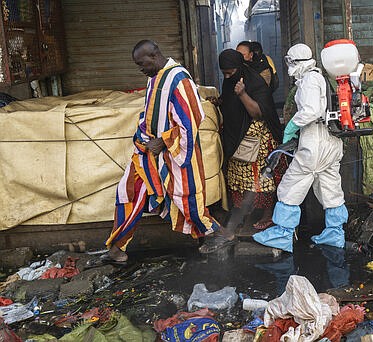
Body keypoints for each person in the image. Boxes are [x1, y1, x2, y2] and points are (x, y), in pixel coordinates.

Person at [90, 40, 233, 265]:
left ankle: (218, 235)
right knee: (127, 192)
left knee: (187, 200)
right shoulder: (154, 78)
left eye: (141, 63)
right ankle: (117, 247)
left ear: (154, 56)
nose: (140, 69)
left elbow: (193, 120)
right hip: (147, 153)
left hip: (175, 153)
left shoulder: (179, 79)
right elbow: (150, 114)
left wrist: (164, 142)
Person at [253, 43, 348, 253]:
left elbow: (312, 111)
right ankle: (335, 233)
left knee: (290, 186)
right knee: (330, 187)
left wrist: (292, 126)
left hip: (314, 141)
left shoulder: (308, 80)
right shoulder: (320, 77)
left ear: (294, 62)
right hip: (331, 142)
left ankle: (282, 234)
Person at [216, 49, 284, 234]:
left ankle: (267, 213)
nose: (227, 76)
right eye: (224, 73)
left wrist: (242, 94)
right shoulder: (230, 80)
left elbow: (258, 112)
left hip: (257, 137)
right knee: (239, 176)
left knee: (260, 177)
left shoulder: (255, 82)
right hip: (236, 135)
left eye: (230, 72)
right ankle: (244, 212)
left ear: (239, 67)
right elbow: (231, 104)